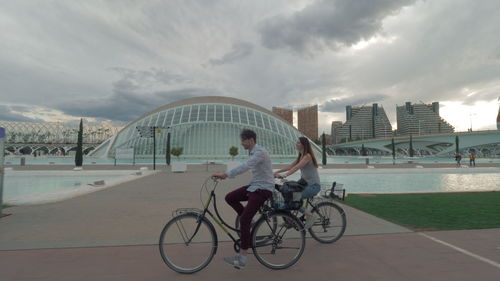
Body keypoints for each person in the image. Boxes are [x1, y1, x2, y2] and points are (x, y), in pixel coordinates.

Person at [212, 129, 274, 270]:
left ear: (251, 140)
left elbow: (246, 166)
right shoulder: (252, 151)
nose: (241, 143)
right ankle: (249, 220)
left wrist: (226, 174)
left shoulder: (259, 152)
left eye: (243, 140)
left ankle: (242, 258)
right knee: (230, 198)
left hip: (263, 189)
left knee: (244, 220)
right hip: (255, 186)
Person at [274, 136, 321, 229]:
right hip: (304, 184)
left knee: (294, 198)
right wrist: (277, 172)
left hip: (313, 186)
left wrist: (285, 175)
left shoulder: (307, 156)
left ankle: (310, 215)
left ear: (304, 145)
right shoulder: (301, 156)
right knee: (288, 194)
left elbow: (296, 167)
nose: (296, 144)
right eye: (297, 142)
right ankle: (288, 220)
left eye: (298, 143)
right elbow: (290, 166)